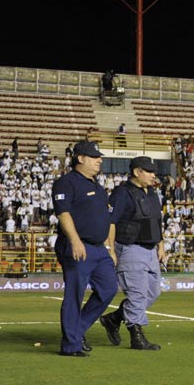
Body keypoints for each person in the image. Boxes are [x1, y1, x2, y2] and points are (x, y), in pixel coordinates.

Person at [51, 140, 118, 357]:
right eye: (94, 156)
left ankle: (76, 331)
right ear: (80, 158)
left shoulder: (98, 187)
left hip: (99, 249)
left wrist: (109, 247)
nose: (100, 160)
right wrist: (75, 240)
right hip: (78, 246)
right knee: (74, 294)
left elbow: (106, 219)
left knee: (109, 289)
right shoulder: (66, 183)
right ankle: (70, 346)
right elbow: (63, 213)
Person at [100, 155, 167, 351]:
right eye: (149, 171)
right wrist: (111, 250)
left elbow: (156, 221)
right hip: (130, 248)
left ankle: (114, 319)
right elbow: (111, 222)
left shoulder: (152, 193)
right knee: (137, 294)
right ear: (137, 172)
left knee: (152, 292)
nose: (153, 175)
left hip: (150, 249)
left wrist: (161, 246)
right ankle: (136, 336)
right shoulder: (122, 193)